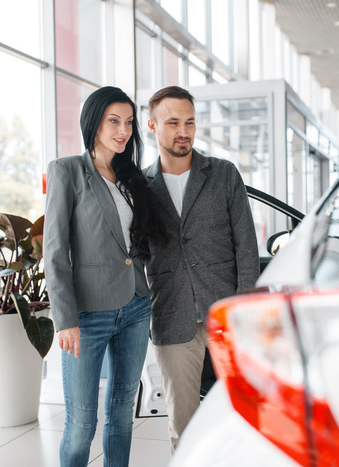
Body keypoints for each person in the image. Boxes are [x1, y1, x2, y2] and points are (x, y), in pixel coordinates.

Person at [44, 86, 166, 467]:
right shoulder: (67, 171)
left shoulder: (132, 177)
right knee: (81, 424)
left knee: (122, 415)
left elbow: (138, 245)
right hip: (87, 315)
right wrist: (64, 319)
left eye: (129, 122)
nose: (123, 130)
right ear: (93, 122)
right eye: (114, 121)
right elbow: (55, 251)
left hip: (134, 306)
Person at [143, 85, 260, 451]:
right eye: (174, 122)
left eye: (190, 122)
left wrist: (245, 311)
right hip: (171, 314)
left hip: (225, 312)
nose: (184, 131)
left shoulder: (224, 174)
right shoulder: (140, 186)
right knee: (183, 423)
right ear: (152, 126)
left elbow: (247, 245)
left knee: (246, 413)